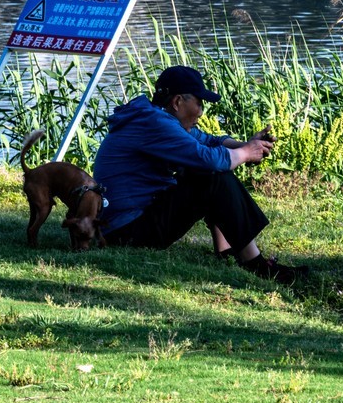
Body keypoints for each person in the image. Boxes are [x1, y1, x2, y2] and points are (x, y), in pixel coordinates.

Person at [92, 65, 307, 284]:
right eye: (199, 103)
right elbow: (209, 158)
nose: (202, 111)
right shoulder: (155, 123)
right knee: (212, 177)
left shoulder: (154, 117)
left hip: (125, 223)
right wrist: (245, 153)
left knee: (206, 170)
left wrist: (247, 146)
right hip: (126, 230)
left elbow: (208, 141)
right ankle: (255, 263)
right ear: (178, 102)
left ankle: (226, 250)